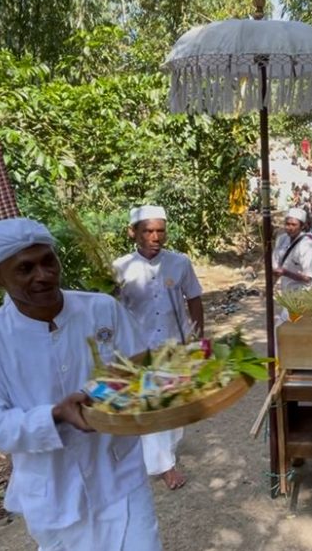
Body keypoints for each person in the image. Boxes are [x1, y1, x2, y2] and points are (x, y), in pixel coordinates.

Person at [0, 218, 162, 551]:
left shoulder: (101, 309)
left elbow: (140, 369)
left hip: (119, 475)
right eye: (25, 268)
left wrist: (123, 392)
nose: (43, 274)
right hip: (52, 490)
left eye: (48, 261)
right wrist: (54, 415)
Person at [112, 205, 202, 491]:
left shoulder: (179, 263)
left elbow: (195, 298)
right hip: (139, 349)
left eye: (160, 231)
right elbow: (111, 309)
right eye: (148, 231)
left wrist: (198, 336)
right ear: (133, 233)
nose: (155, 236)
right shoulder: (119, 268)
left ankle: (166, 452)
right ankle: (165, 466)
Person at [273, 208, 312, 291]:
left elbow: (308, 278)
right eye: (287, 224)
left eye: (294, 225)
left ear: (302, 226)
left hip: (304, 292)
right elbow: (276, 264)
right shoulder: (282, 239)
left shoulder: (307, 245)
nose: (290, 228)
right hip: (287, 291)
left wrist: (286, 272)